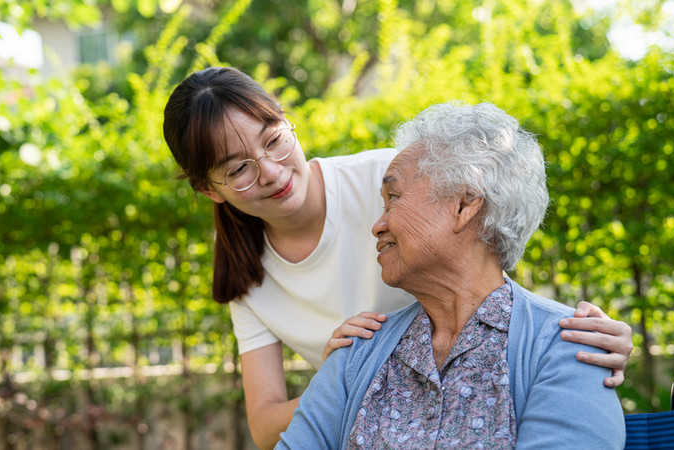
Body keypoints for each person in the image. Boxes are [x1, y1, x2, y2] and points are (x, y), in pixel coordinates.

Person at [162, 67, 632, 449]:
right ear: (209, 189)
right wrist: (339, 383)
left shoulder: (392, 172)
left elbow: (487, 269)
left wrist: (578, 338)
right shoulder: (340, 352)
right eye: (239, 168)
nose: (270, 171)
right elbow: (269, 426)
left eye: (274, 140)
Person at [277, 102, 626, 449]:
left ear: (464, 205)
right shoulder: (356, 354)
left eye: (393, 198)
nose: (377, 226)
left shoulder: (568, 348)